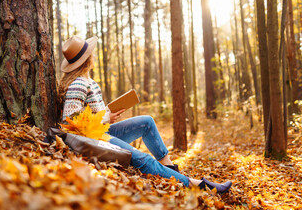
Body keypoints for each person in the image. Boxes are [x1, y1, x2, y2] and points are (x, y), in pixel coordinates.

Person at [57, 36, 232, 194]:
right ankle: (197, 184)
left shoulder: (89, 81)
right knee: (141, 157)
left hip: (103, 131)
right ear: (87, 58)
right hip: (95, 140)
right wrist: (105, 118)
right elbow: (71, 121)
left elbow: (91, 112)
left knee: (146, 122)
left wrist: (108, 113)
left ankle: (170, 169)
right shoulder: (78, 84)